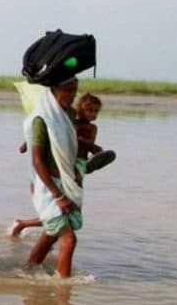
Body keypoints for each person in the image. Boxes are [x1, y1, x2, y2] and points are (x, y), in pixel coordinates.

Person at [10, 92, 115, 237]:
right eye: (89, 110)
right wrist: (27, 143)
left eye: (96, 111)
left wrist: (96, 150)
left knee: (69, 208)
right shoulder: (71, 123)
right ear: (80, 109)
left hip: (81, 163)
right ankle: (26, 225)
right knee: (64, 208)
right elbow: (49, 136)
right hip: (68, 164)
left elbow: (87, 144)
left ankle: (24, 224)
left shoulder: (93, 128)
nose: (93, 114)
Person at [21, 77, 83, 278]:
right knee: (69, 239)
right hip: (48, 187)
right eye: (68, 89)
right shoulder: (41, 119)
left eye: (75, 90)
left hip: (66, 181)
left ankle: (29, 269)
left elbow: (71, 144)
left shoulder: (70, 115)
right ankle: (63, 290)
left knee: (51, 235)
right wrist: (58, 196)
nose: (72, 95)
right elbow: (38, 161)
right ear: (54, 91)